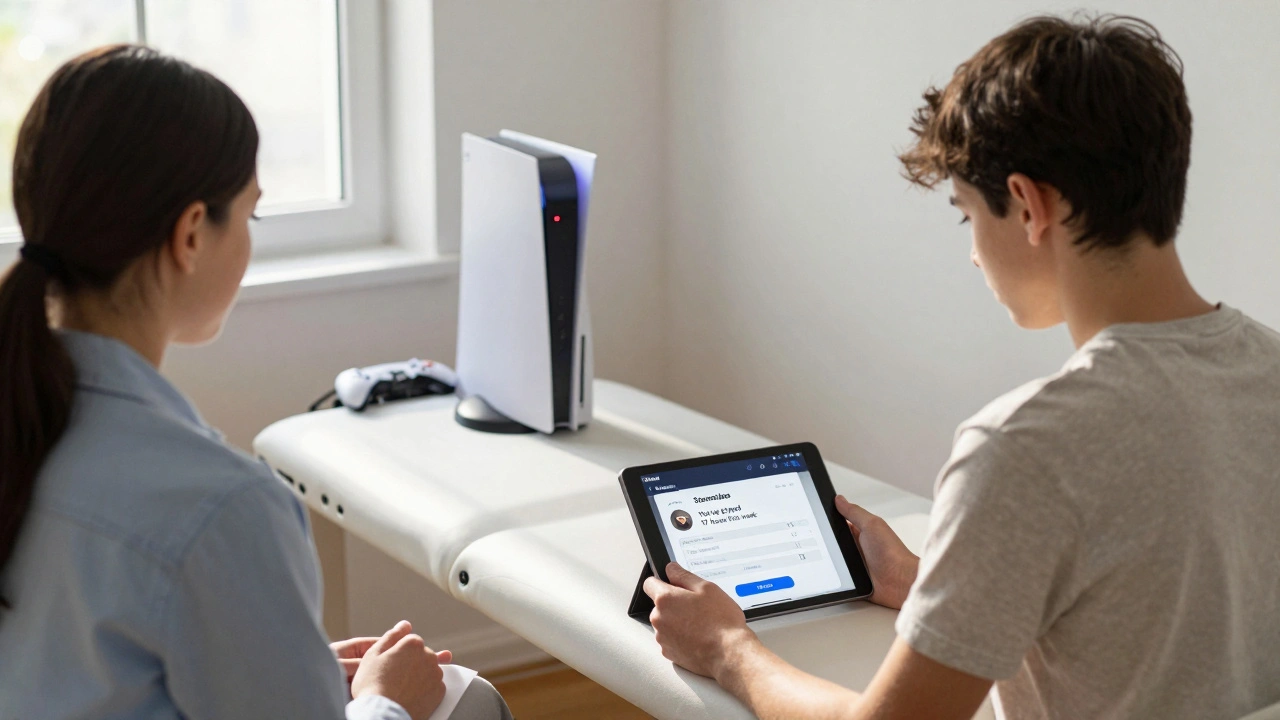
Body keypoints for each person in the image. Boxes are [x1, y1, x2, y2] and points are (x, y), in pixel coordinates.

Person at [642, 13, 1280, 720]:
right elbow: (1150, 619)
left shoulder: (1024, 448)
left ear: (1031, 206)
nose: (975, 253)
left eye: (968, 215)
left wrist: (726, 648)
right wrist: (926, 585)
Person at [0, 46, 512, 720]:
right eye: (250, 216)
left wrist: (284, 665)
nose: (248, 241)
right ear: (189, 234)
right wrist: (384, 703)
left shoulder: (26, 424)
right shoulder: (220, 509)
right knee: (470, 700)